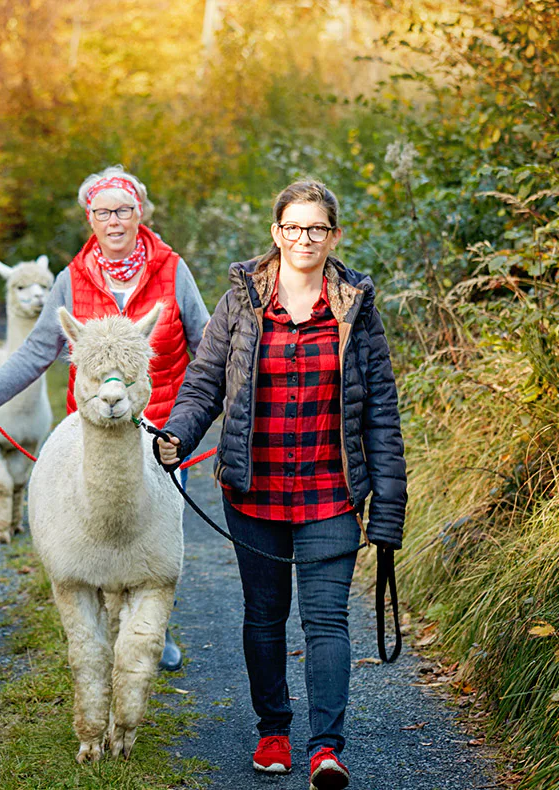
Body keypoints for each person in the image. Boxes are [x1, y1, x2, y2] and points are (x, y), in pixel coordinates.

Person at [155, 181, 406, 790]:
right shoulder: (240, 301)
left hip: (331, 494)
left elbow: (381, 411)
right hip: (254, 492)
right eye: (293, 227)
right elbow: (204, 384)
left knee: (327, 621)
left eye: (316, 228)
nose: (304, 239)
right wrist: (178, 434)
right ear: (276, 232)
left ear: (334, 236)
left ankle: (326, 749)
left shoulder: (355, 309)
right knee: (264, 617)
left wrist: (389, 507)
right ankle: (273, 730)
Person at [0, 165, 211, 672]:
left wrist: (225, 402)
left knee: (155, 533)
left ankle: (152, 625)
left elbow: (207, 344)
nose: (114, 221)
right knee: (100, 527)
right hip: (93, 430)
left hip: (164, 431)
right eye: (103, 212)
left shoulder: (173, 271)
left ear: (140, 213)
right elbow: (37, 351)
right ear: (90, 217)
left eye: (124, 210)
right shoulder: (70, 280)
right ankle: (108, 627)